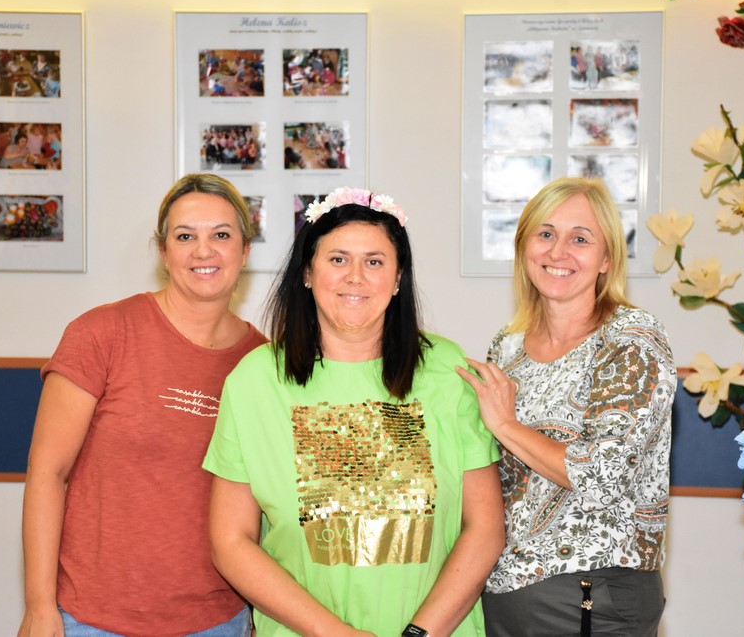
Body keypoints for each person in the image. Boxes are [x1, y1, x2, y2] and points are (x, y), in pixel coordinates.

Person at [204, 186, 505, 637]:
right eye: (338, 259)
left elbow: (484, 528)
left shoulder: (448, 370)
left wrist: (419, 634)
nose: (356, 277)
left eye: (375, 262)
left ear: (398, 278)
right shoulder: (254, 381)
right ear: (308, 272)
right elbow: (231, 542)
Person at [17, 173, 267, 637]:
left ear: (245, 251)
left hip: (216, 622)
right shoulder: (102, 334)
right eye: (185, 236)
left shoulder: (262, 362)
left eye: (221, 235)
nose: (204, 251)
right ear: (163, 252)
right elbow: (47, 471)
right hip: (91, 619)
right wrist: (39, 605)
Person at [455, 177, 675, 637]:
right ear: (524, 247)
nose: (558, 252)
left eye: (580, 239)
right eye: (545, 233)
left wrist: (506, 424)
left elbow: (602, 475)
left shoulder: (630, 339)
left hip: (594, 594)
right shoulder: (507, 347)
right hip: (503, 592)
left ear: (606, 259)